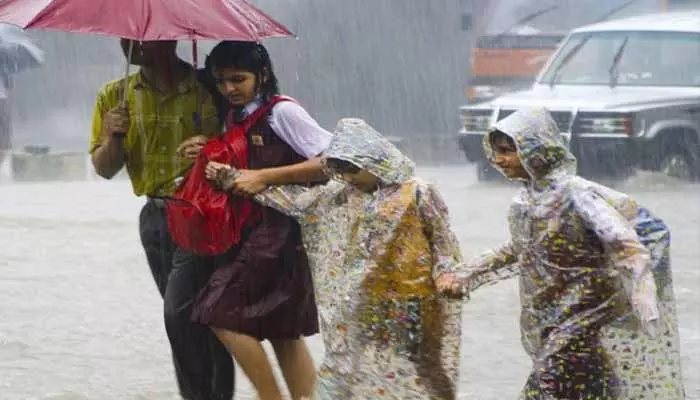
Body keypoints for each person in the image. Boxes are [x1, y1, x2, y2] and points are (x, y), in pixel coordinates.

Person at [207, 118, 466, 399]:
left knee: (426, 369)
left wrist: (447, 274)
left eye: (352, 168)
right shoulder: (338, 196)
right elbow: (289, 199)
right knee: (340, 369)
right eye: (340, 169)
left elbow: (444, 243)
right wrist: (231, 178)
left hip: (414, 302)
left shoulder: (418, 192)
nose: (349, 177)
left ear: (373, 158)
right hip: (360, 303)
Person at [443, 108, 685, 399]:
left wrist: (643, 296)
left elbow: (626, 244)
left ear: (537, 150)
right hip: (552, 310)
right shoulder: (524, 200)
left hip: (590, 308)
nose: (498, 160)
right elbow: (519, 248)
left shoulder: (576, 193)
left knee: (547, 382)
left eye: (508, 151)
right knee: (593, 383)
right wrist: (467, 273)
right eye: (495, 151)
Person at [173, 40, 331, 400]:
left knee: (216, 311)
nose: (229, 89)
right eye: (221, 80)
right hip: (248, 231)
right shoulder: (236, 114)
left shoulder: (283, 112)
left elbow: (331, 162)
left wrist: (265, 177)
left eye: (238, 79)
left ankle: (268, 396)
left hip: (279, 233)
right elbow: (239, 160)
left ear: (262, 75)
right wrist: (209, 145)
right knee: (282, 331)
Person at [89, 39, 234, 400]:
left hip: (204, 213)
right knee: (191, 319)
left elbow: (243, 144)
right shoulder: (115, 95)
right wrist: (114, 137)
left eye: (141, 37)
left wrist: (214, 146)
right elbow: (105, 169)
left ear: (169, 38)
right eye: (124, 36)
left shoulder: (210, 88)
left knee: (183, 314)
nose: (129, 44)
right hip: (155, 217)